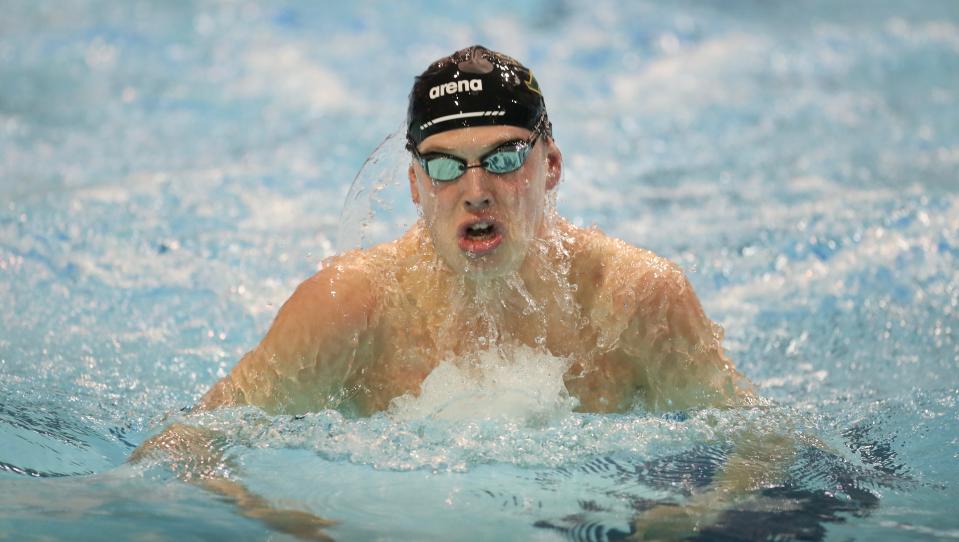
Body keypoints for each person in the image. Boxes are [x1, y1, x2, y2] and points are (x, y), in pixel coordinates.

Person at [135, 45, 782, 540]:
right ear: (416, 185)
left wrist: (699, 512)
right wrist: (289, 522)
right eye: (445, 165)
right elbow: (182, 446)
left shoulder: (634, 297)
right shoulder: (350, 306)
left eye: (503, 158)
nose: (475, 189)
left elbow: (767, 443)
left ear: (549, 166)